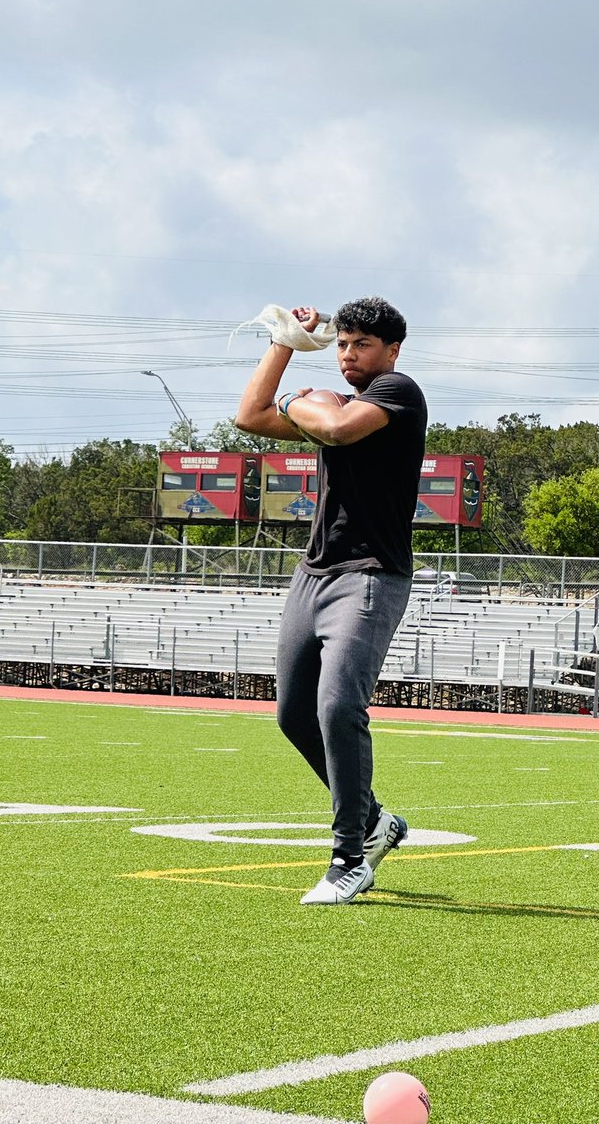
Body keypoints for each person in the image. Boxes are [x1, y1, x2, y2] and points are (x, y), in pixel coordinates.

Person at [235, 296, 427, 904]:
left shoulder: (398, 390)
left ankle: (349, 857)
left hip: (371, 575)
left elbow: (338, 428)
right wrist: (287, 342)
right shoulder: (334, 401)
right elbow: (249, 414)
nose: (348, 354)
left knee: (339, 706)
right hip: (314, 574)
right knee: (294, 714)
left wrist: (304, 401)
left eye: (361, 345)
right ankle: (375, 820)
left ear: (391, 350)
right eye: (341, 344)